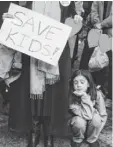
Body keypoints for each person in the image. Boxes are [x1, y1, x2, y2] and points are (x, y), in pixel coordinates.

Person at [2, 1, 82, 147]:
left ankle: (49, 132)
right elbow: (18, 15)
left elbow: (72, 19)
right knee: (31, 91)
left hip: (57, 53)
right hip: (32, 49)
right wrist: (9, 18)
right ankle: (34, 129)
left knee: (53, 92)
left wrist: (76, 19)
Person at [69, 70, 107, 147]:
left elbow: (103, 115)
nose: (78, 85)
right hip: (78, 127)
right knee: (79, 121)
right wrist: (84, 96)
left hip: (92, 127)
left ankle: (91, 139)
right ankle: (77, 139)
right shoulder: (71, 96)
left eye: (82, 82)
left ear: (89, 84)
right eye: (75, 82)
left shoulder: (97, 94)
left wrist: (96, 134)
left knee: (96, 118)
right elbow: (87, 115)